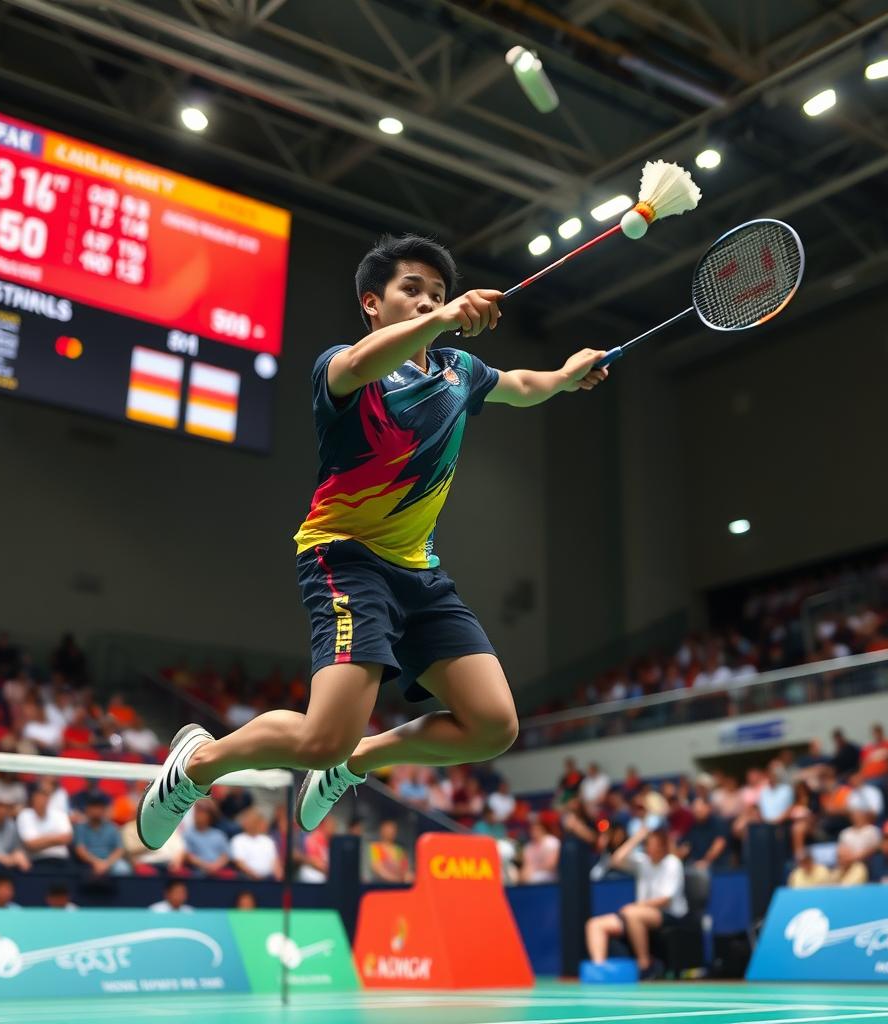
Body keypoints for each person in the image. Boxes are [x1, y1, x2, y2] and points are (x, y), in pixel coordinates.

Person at [137, 234, 610, 850]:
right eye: (410, 290)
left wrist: (565, 378)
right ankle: (197, 765)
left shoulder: (459, 371)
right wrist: (443, 316)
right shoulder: (342, 370)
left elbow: (520, 385)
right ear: (372, 303)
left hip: (421, 574)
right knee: (317, 740)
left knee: (493, 726)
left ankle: (354, 761)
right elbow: (363, 363)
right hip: (345, 558)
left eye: (436, 294)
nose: (425, 302)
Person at [584, 827, 687, 980]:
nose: (649, 847)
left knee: (632, 913)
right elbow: (616, 859)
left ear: (662, 845)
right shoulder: (643, 862)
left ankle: (645, 965)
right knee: (595, 925)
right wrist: (637, 837)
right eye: (648, 844)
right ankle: (600, 971)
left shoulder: (672, 863)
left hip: (668, 914)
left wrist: (637, 907)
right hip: (638, 914)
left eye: (653, 844)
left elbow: (665, 900)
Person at [16, 785, 73, 870]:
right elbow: (30, 844)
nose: (42, 800)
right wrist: (56, 839)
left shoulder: (60, 814)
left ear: (49, 799)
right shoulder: (25, 815)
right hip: (36, 862)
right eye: (39, 796)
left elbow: (67, 838)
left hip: (61, 862)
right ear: (33, 798)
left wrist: (40, 841)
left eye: (45, 796)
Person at [73, 793, 130, 877]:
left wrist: (106, 863)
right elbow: (80, 850)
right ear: (87, 809)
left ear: (104, 809)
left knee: (122, 868)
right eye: (93, 807)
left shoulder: (113, 828)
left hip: (109, 861)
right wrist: (96, 862)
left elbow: (119, 850)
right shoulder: (80, 828)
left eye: (99, 807)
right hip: (87, 862)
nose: (96, 810)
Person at [230, 809, 282, 882]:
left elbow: (275, 861)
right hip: (247, 879)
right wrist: (255, 875)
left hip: (269, 879)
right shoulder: (238, 840)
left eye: (253, 821)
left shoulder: (268, 841)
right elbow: (239, 862)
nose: (251, 823)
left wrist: (280, 878)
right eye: (248, 821)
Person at [368, 818, 412, 884]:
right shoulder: (375, 848)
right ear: (382, 830)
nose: (391, 831)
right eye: (388, 829)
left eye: (393, 829)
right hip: (382, 886)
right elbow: (377, 869)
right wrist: (397, 880)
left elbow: (406, 870)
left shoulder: (399, 849)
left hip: (399, 886)